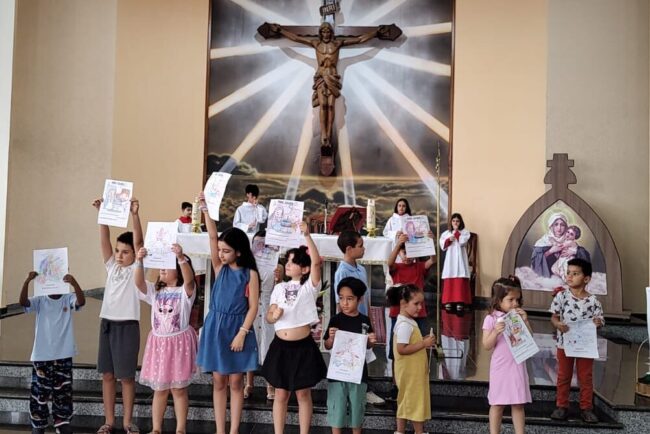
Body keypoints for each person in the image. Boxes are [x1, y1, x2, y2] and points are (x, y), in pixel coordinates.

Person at [196, 193, 260, 434]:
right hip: (216, 326)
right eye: (220, 250)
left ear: (239, 252)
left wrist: (242, 333)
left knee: (236, 381)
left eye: (226, 251)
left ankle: (234, 429)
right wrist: (205, 210)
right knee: (219, 380)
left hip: (237, 328)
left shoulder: (250, 274)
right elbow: (213, 236)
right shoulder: (219, 267)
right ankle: (220, 430)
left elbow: (253, 306)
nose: (221, 254)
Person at [261, 221, 327, 434]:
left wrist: (307, 236)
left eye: (293, 262)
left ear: (305, 268)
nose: (288, 264)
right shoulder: (279, 287)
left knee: (303, 394)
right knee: (281, 394)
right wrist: (274, 315)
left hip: (303, 348)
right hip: (281, 347)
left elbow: (317, 264)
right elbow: (269, 317)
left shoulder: (309, 287)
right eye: (287, 261)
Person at [91, 197, 143, 434]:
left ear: (135, 254)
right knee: (108, 375)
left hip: (128, 326)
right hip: (107, 325)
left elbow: (139, 241)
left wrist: (135, 215)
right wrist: (102, 214)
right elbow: (104, 239)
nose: (120, 256)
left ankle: (127, 421)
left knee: (127, 377)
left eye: (125, 252)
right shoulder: (112, 266)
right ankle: (109, 421)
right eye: (118, 251)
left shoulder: (136, 269)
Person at [134, 243, 197, 434]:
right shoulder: (155, 291)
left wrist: (180, 258)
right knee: (160, 389)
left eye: (167, 264)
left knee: (178, 389)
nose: (162, 267)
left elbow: (189, 281)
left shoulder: (184, 292)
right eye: (160, 264)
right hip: (159, 345)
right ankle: (156, 428)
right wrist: (139, 261)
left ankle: (180, 429)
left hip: (178, 345)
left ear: (177, 271)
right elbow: (138, 283)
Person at [20, 271, 85, 434]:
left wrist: (75, 283)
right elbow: (24, 302)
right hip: (42, 355)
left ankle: (62, 422)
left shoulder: (67, 298)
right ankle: (38, 423)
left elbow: (81, 301)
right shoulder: (41, 300)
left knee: (63, 392)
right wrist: (27, 281)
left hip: (63, 354)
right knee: (39, 392)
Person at [549, 258, 604, 424]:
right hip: (564, 344)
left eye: (575, 273)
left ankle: (586, 409)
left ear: (586, 279)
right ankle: (561, 406)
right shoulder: (561, 296)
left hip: (585, 346)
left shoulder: (594, 301)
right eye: (568, 273)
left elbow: (600, 321)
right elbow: (554, 317)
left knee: (585, 377)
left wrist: (597, 323)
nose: (570, 276)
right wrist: (558, 324)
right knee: (563, 375)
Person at [334, 230, 385, 405]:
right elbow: (339, 301)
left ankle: (362, 389)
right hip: (349, 321)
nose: (364, 249)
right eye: (360, 245)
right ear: (349, 249)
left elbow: (366, 297)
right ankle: (359, 391)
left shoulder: (361, 269)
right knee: (352, 356)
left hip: (362, 318)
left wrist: (369, 318)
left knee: (362, 353)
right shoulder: (341, 272)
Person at [323, 277, 377, 434]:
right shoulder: (336, 319)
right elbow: (327, 345)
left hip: (358, 374)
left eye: (349, 299)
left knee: (357, 411)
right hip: (337, 374)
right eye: (341, 298)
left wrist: (371, 341)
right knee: (336, 411)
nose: (344, 303)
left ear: (359, 300)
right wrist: (331, 338)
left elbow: (368, 345)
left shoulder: (364, 321)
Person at [386, 233, 436, 397]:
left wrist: (430, 242)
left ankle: (421, 377)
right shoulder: (398, 268)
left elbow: (432, 260)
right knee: (396, 351)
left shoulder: (419, 267)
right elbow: (389, 262)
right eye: (403, 252)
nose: (406, 256)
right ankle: (395, 383)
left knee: (422, 344)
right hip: (398, 313)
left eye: (409, 253)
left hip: (418, 314)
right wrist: (398, 244)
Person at [482, 276, 532, 434]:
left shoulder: (517, 317)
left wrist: (526, 321)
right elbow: (487, 345)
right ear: (498, 300)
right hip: (500, 367)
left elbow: (529, 339)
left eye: (517, 300)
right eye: (511, 300)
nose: (515, 304)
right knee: (497, 404)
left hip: (517, 364)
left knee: (518, 403)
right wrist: (496, 331)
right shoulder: (490, 319)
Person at [386, 284, 436, 434]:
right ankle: (419, 432)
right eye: (416, 304)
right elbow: (402, 349)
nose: (420, 307)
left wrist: (423, 340)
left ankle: (400, 431)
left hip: (413, 373)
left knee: (406, 402)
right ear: (403, 303)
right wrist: (424, 343)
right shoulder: (404, 325)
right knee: (414, 402)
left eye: (421, 303)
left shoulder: (408, 322)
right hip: (410, 375)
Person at [246, 230, 284, 401]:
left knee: (269, 344)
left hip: (269, 307)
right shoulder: (248, 266)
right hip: (251, 307)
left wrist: (279, 279)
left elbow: (282, 290)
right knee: (250, 343)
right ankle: (249, 382)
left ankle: (270, 382)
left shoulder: (278, 266)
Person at [531, 212, 590, 278]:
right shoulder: (544, 241)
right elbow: (536, 261)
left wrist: (574, 252)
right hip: (549, 278)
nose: (559, 228)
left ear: (566, 227)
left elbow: (584, 254)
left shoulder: (569, 239)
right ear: (551, 226)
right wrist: (550, 251)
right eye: (556, 224)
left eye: (562, 225)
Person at [439, 213, 471, 311]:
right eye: (453, 221)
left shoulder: (465, 232)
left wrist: (456, 233)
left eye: (457, 221)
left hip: (460, 258)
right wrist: (448, 240)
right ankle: (448, 300)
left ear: (460, 222)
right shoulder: (446, 233)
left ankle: (460, 301)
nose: (455, 223)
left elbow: (462, 242)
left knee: (460, 277)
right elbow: (442, 245)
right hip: (450, 259)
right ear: (451, 222)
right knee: (450, 275)